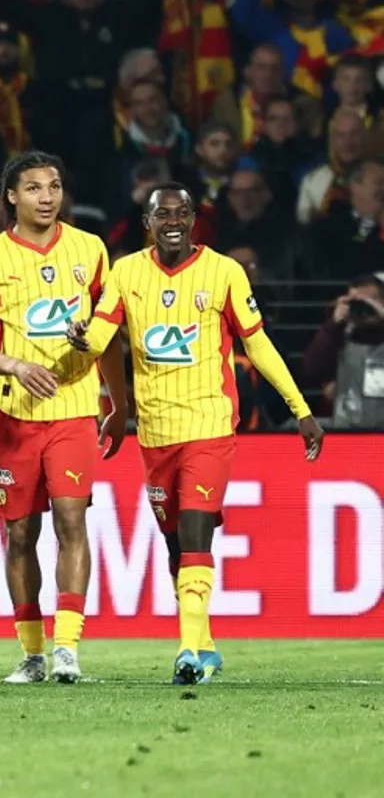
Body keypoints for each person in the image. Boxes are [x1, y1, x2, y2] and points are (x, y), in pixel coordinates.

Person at [65, 183, 323, 685]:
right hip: (155, 431)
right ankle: (204, 643)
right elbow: (102, 335)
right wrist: (81, 339)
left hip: (208, 423)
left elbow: (259, 344)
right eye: (164, 214)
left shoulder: (223, 272)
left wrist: (301, 409)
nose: (174, 222)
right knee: (174, 546)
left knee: (195, 530)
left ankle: (186, 651)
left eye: (183, 213)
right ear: (148, 222)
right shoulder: (126, 272)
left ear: (194, 220)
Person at [0, 150, 128, 685]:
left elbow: (110, 336)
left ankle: (67, 649)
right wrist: (14, 364)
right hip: (12, 413)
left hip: (74, 409)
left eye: (54, 186)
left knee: (72, 520)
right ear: (12, 196)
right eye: (34, 188)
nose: (47, 197)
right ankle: (31, 653)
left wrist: (118, 403)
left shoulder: (91, 250)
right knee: (19, 533)